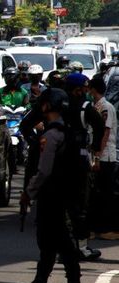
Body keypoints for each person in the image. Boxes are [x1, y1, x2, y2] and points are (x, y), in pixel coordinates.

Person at [16, 88, 85, 283]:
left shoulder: (51, 135)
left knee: (60, 240)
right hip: (63, 194)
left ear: (47, 106)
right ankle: (40, 282)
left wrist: (28, 192)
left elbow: (44, 170)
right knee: (48, 240)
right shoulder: (67, 131)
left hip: (51, 196)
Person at [64, 72, 105, 261]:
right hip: (80, 160)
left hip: (59, 160)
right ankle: (81, 247)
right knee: (80, 206)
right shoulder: (86, 107)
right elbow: (99, 126)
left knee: (63, 206)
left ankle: (63, 249)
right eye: (83, 88)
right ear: (78, 89)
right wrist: (96, 151)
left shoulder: (58, 104)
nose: (85, 91)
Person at [88, 77, 119, 240]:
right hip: (99, 155)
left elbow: (105, 133)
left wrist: (98, 156)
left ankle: (110, 228)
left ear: (93, 89)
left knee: (106, 193)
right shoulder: (96, 106)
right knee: (98, 193)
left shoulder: (105, 107)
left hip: (106, 156)